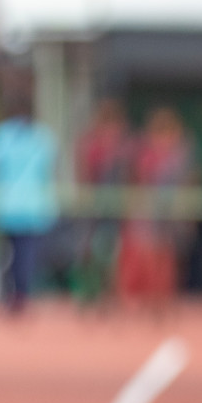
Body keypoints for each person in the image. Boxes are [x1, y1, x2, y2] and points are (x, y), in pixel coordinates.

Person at [0, 86, 59, 315]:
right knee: (23, 257)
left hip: (8, 206)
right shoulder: (42, 138)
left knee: (8, 256)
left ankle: (10, 296)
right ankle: (19, 297)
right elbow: (48, 172)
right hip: (28, 207)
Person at [117, 107, 198, 314]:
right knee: (141, 258)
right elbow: (135, 180)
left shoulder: (181, 153)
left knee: (165, 260)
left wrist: (185, 214)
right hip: (146, 215)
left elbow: (189, 184)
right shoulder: (144, 152)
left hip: (170, 217)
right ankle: (134, 301)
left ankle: (161, 302)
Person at [73, 99, 132, 307]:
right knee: (88, 252)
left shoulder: (123, 147)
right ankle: (88, 294)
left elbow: (129, 176)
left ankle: (109, 295)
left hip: (114, 209)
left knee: (112, 254)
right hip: (93, 208)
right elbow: (84, 174)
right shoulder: (92, 144)